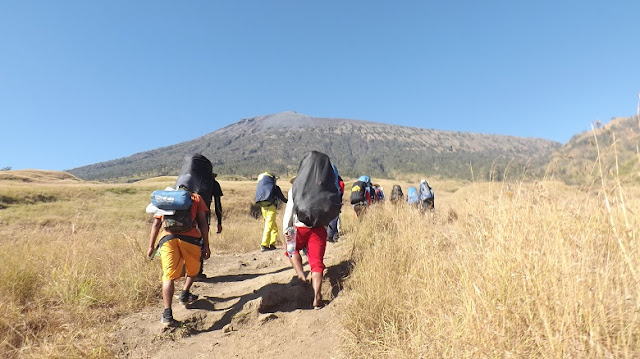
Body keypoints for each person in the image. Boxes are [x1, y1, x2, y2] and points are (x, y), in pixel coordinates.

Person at [147, 178, 210, 326]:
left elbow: (156, 224)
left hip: (167, 238)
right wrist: (206, 245)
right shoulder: (196, 198)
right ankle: (185, 293)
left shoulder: (166, 198)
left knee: (168, 276)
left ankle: (167, 313)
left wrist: (151, 246)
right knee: (193, 270)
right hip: (191, 239)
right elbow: (203, 223)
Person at [283, 151, 340, 309]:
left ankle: (301, 275)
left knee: (291, 250)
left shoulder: (294, 189)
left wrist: (286, 230)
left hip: (298, 228)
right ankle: (317, 296)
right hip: (319, 230)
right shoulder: (324, 189)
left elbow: (289, 211)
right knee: (316, 263)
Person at [255, 172, 287, 251]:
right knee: (268, 225)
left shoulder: (261, 187)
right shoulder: (275, 187)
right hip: (271, 207)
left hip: (263, 207)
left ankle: (272, 244)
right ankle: (264, 245)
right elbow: (282, 198)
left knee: (274, 227)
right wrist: (290, 202)